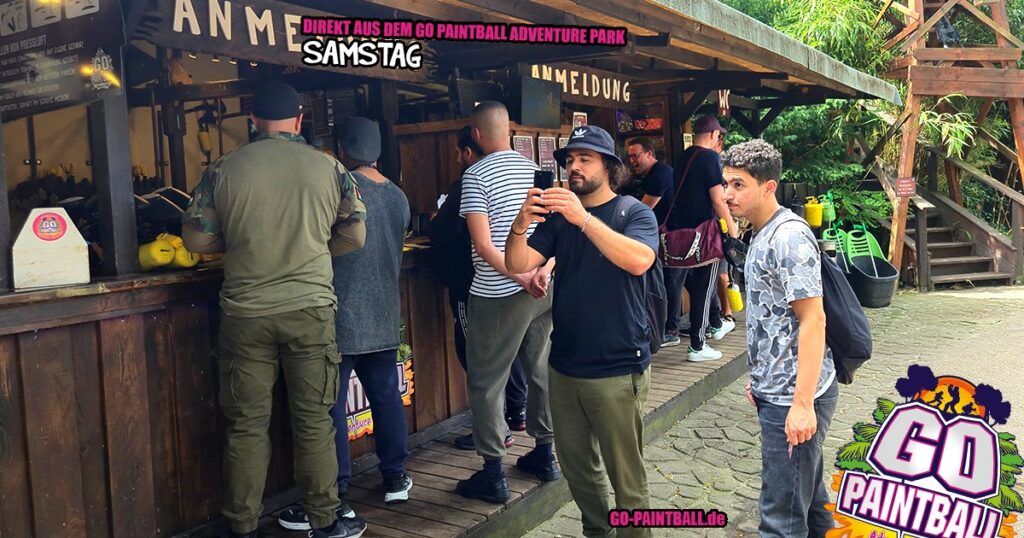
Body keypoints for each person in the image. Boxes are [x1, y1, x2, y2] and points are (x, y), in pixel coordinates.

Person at [182, 81, 368, 538]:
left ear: (252, 120)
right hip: (310, 309)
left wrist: (242, 245)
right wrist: (314, 249)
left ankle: (242, 527)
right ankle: (325, 521)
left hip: (245, 314)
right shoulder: (329, 167)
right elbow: (355, 234)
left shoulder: (223, 169)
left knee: (246, 426)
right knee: (315, 422)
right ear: (300, 120)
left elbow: (195, 238)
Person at [505, 125, 656, 538]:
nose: (574, 166)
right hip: (565, 366)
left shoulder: (632, 212)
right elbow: (517, 263)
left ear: (608, 167)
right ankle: (596, 531)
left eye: (584, 159)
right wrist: (520, 222)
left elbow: (639, 260)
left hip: (617, 366)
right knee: (578, 471)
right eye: (569, 159)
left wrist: (583, 219)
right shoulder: (558, 221)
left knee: (627, 480)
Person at [277, 116, 413, 531]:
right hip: (384, 312)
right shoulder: (399, 196)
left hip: (339, 313)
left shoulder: (336, 188)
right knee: (386, 396)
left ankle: (336, 491)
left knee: (331, 408)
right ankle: (396, 477)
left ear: (340, 149)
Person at [722, 139, 838, 537]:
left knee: (780, 519)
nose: (727, 194)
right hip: (777, 390)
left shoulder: (788, 237)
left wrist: (801, 404)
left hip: (795, 396)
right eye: (726, 184)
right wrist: (760, 379)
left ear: (768, 187)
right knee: (811, 500)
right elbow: (770, 318)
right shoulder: (762, 232)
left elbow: (813, 320)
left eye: (739, 185)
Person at [457, 101, 559, 503]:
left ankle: (493, 473)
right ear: (511, 130)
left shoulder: (475, 175)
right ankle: (545, 454)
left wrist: (521, 276)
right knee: (541, 368)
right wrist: (542, 271)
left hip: (498, 294)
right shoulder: (535, 170)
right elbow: (554, 232)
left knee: (487, 380)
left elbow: (483, 246)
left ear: (476, 134)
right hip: (543, 290)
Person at [428, 126, 529, 451]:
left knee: (479, 359)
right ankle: (519, 416)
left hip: (474, 283)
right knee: (513, 353)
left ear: (470, 150)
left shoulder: (470, 181)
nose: (458, 159)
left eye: (459, 152)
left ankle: (496, 431)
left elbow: (447, 233)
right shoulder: (525, 171)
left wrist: (436, 218)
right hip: (522, 283)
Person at [663, 115, 739, 360]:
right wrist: (732, 228)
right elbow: (717, 199)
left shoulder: (683, 157)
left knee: (697, 285)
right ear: (714, 135)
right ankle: (698, 344)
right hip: (705, 234)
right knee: (705, 287)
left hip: (682, 234)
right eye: (719, 136)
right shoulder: (710, 158)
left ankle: (715, 323)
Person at [626, 137, 673, 224]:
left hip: (666, 229)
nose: (631, 161)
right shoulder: (658, 170)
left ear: (649, 154)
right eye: (630, 157)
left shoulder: (659, 175)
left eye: (635, 156)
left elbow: (642, 212)